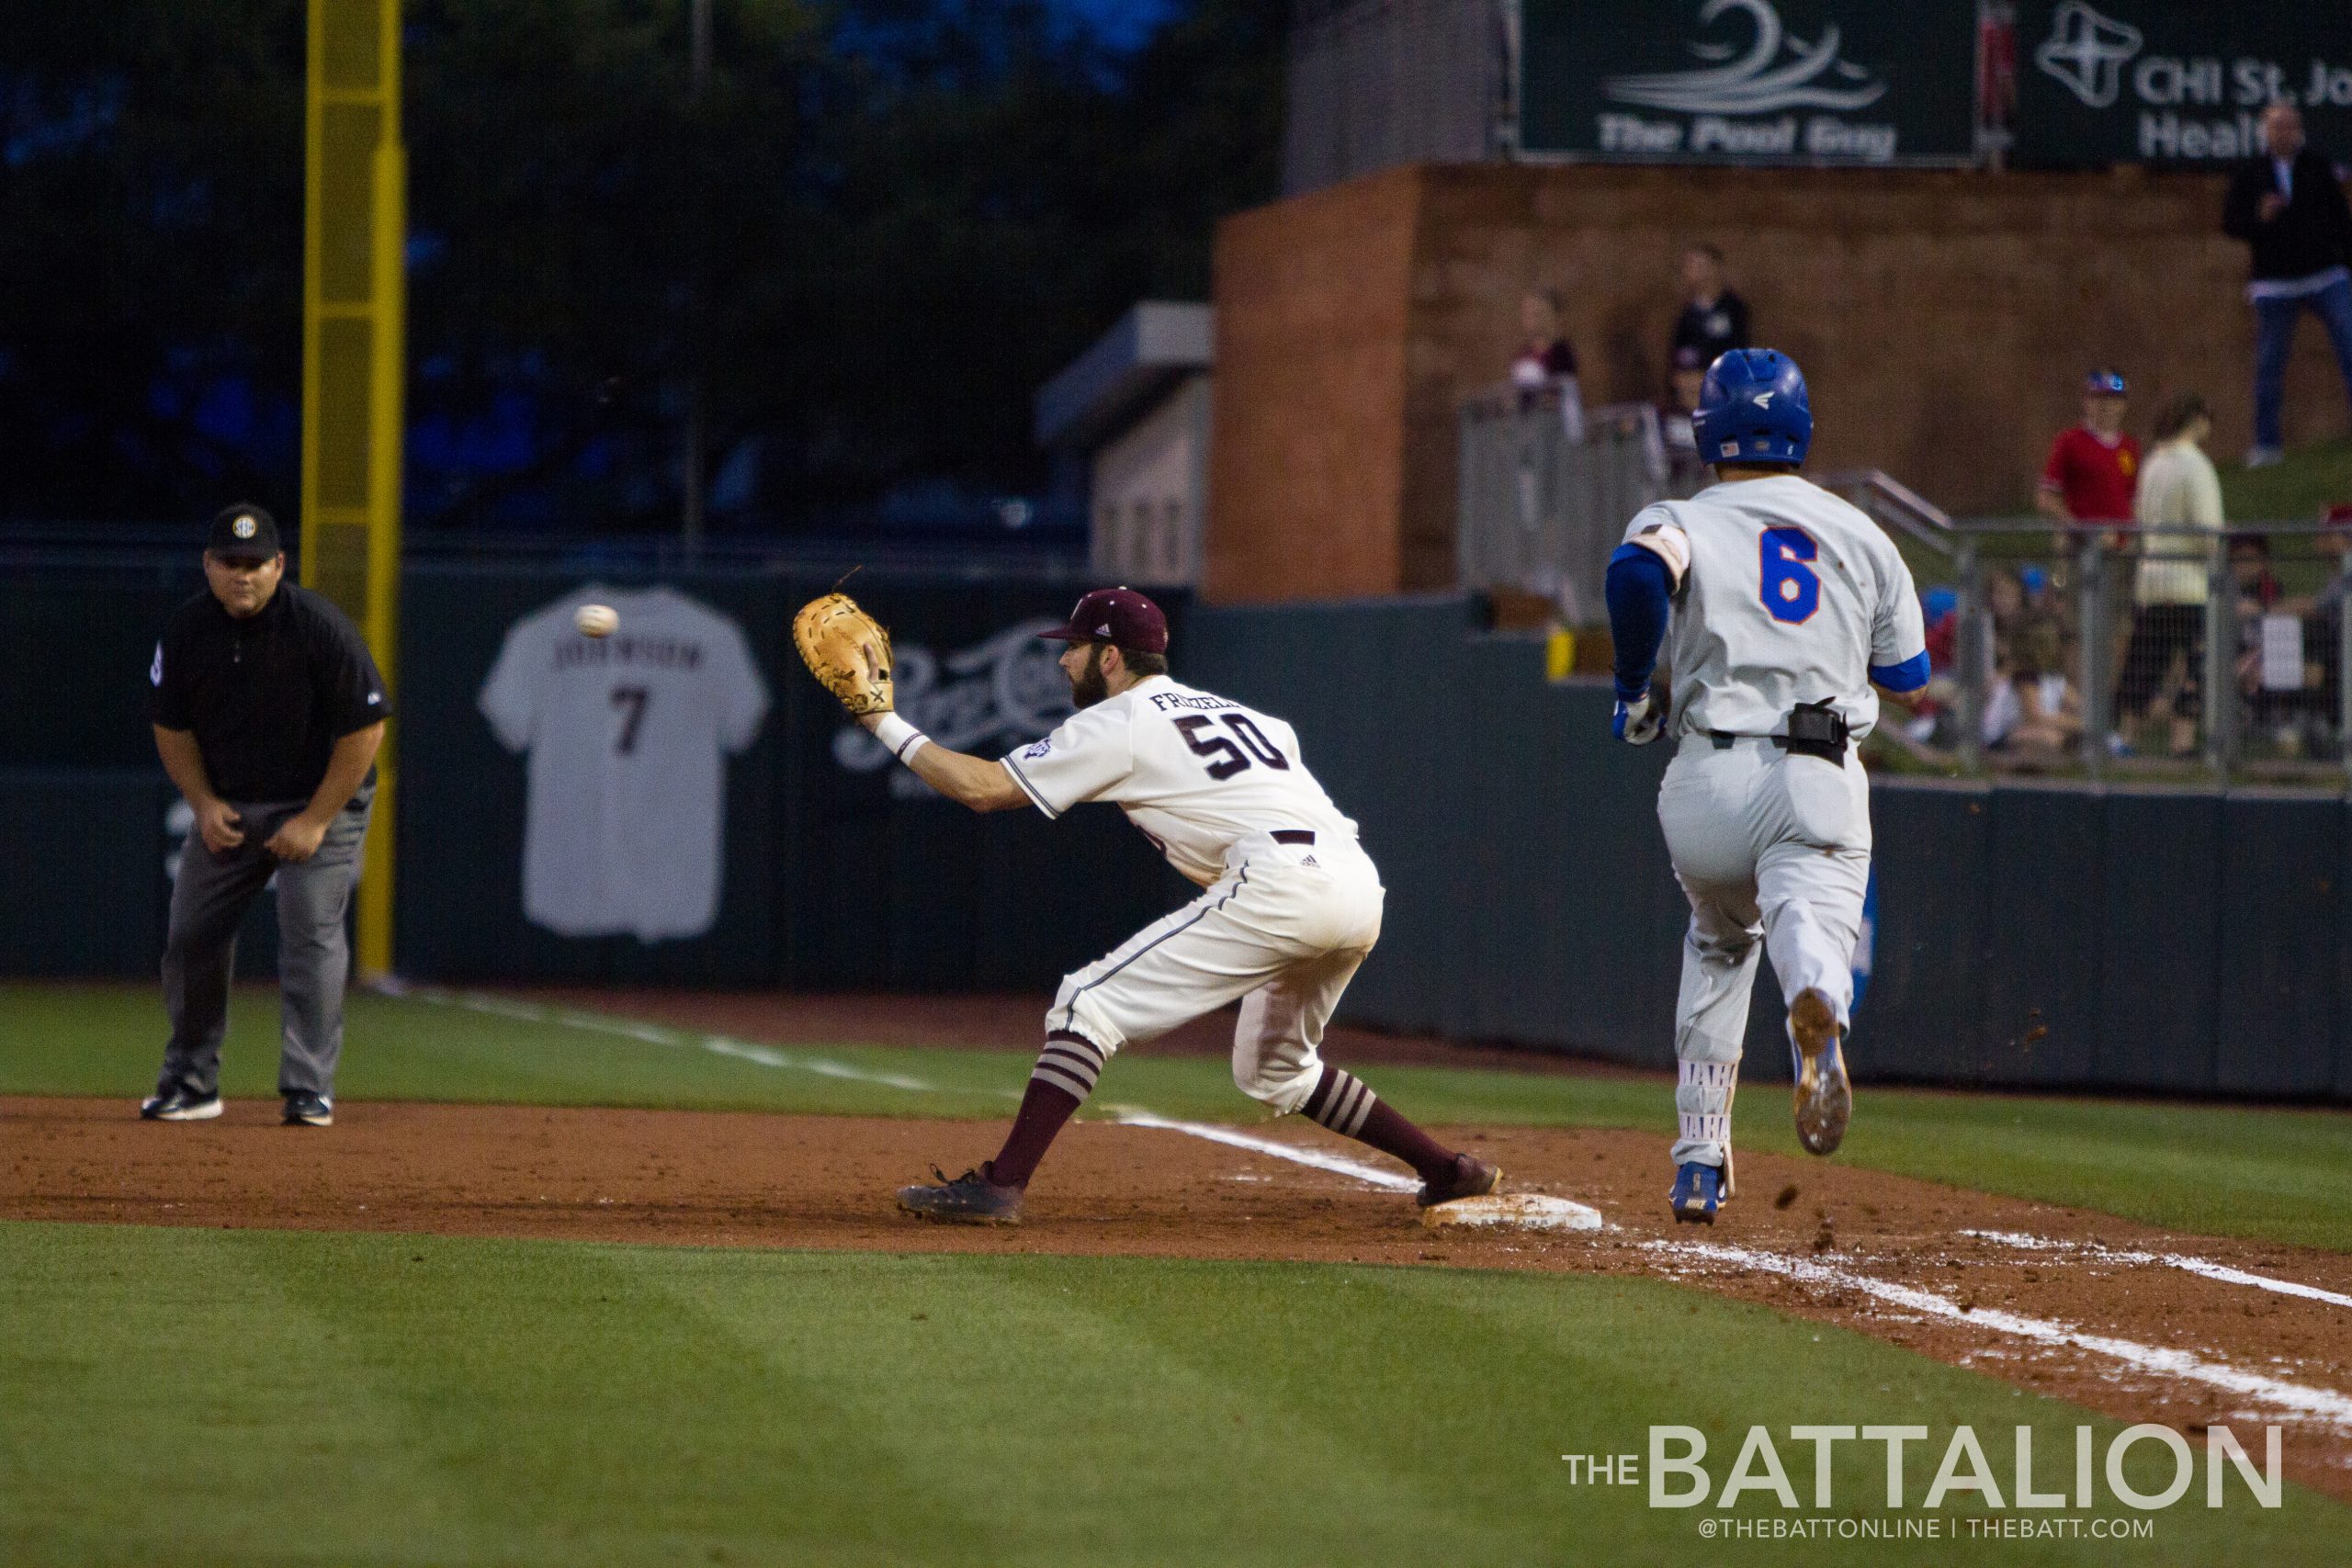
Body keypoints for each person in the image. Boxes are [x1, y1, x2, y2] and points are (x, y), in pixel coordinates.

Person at [809, 587, 1500, 1224]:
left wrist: (882, 721)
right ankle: (1449, 1168)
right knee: (1273, 1069)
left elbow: (983, 788)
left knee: (1087, 1003)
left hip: (1282, 880)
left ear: (1110, 656)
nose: (1062, 660)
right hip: (1355, 883)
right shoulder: (1256, 718)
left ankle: (999, 1185)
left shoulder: (1124, 717)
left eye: (1073, 647)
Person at [1603, 350, 1928, 1224]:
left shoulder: (1682, 516)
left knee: (1716, 940)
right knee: (1804, 917)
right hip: (1817, 771)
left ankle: (1700, 1158)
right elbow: (1910, 675)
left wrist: (1636, 690)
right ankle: (1813, 1001)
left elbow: (1634, 576)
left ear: (1706, 433)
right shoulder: (1860, 531)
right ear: (1803, 431)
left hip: (1707, 778)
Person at [141, 505, 389, 1127]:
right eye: (230, 562)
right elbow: (171, 726)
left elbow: (365, 730)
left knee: (308, 927)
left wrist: (314, 820)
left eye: (256, 563)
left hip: (320, 799)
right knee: (190, 935)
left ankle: (309, 1088)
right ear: (208, 565)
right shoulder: (187, 631)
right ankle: (192, 1082)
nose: (242, 574)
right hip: (232, 803)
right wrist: (201, 803)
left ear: (280, 565)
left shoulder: (318, 626)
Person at [2222, 103, 2352, 468]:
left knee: (2349, 346)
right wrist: (2259, 219)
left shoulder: (2318, 167)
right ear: (2265, 131)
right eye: (2277, 127)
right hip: (2274, 283)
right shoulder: (2251, 173)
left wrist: (2344, 262)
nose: (2285, 133)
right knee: (2269, 363)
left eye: (2291, 126)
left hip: (2325, 276)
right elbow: (2231, 223)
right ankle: (2266, 445)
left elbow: (2341, 219)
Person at [2118, 392, 2223, 757]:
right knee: (2197, 663)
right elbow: (2209, 529)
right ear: (2195, 420)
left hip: (2151, 579)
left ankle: (2126, 738)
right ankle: (2183, 741)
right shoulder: (2195, 465)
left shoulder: (2153, 463)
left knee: (2146, 660)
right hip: (2189, 582)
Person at [2036, 369, 2139, 547]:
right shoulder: (2070, 442)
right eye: (2099, 399)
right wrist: (2080, 530)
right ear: (2087, 402)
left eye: (2114, 399)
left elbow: (2133, 497)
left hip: (2120, 548)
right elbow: (2047, 497)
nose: (2107, 406)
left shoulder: (2128, 447)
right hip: (2081, 548)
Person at [1670, 243, 1750, 370]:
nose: (1690, 271)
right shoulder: (1688, 312)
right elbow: (1680, 351)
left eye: (1698, 266)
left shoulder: (1733, 308)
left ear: (1714, 268)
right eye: (1688, 266)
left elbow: (1737, 349)